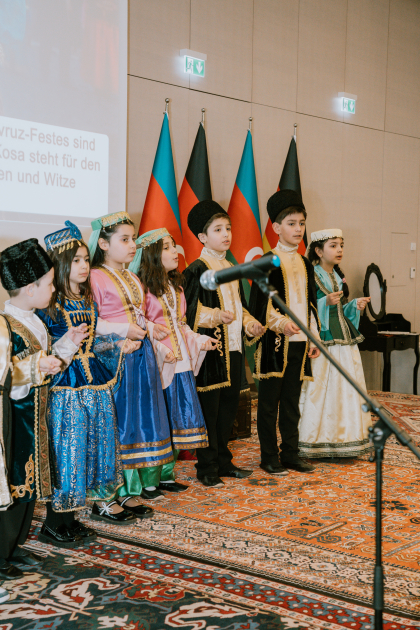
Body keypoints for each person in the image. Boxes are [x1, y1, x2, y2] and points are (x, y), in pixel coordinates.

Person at [38, 221, 145, 542]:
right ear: (60, 265)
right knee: (67, 451)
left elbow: (94, 342)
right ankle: (54, 523)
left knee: (89, 448)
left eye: (86, 259)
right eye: (76, 261)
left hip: (93, 384)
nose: (84, 266)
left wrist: (117, 344)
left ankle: (71, 519)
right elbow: (46, 350)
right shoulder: (50, 305)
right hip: (66, 387)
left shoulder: (87, 300)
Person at [0, 238, 83, 582]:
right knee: (14, 486)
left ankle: (15, 546)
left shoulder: (35, 321)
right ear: (30, 289)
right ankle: (1, 552)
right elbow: (6, 376)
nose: (53, 289)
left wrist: (67, 345)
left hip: (37, 417)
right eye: (49, 284)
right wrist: (36, 366)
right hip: (15, 421)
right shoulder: (5, 326)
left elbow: (48, 366)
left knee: (30, 486)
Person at [88, 212, 174, 503]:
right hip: (115, 356)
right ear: (103, 244)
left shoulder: (132, 277)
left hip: (141, 355)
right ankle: (120, 490)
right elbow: (92, 322)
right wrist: (125, 330)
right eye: (124, 239)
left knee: (142, 417)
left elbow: (136, 314)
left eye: (133, 239)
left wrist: (150, 326)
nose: (132, 245)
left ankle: (138, 486)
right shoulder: (95, 277)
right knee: (122, 419)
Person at [183, 200, 265, 488]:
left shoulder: (231, 267)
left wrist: (250, 324)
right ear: (202, 237)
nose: (226, 234)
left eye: (228, 228)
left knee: (229, 409)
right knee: (210, 411)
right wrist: (215, 316)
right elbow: (188, 312)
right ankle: (207, 467)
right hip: (212, 353)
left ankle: (224, 461)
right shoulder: (196, 270)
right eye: (218, 229)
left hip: (234, 350)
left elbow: (240, 307)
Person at [130, 228, 218, 492]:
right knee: (157, 422)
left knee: (176, 421)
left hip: (180, 363)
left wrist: (200, 340)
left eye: (174, 246)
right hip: (157, 364)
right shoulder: (142, 289)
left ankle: (166, 476)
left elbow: (181, 325)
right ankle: (149, 482)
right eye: (167, 248)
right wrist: (160, 349)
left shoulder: (176, 287)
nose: (174, 252)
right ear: (152, 255)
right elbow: (141, 325)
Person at [248, 190, 320, 475]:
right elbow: (260, 306)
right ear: (276, 228)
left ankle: (290, 453)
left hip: (300, 343)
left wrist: (313, 337)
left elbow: (310, 303)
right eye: (291, 224)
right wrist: (281, 324)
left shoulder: (305, 263)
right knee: (269, 404)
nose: (298, 229)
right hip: (275, 343)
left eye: (301, 223)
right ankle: (269, 456)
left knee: (292, 402)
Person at [298, 229, 372, 458]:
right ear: (319, 251)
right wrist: (324, 302)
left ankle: (346, 438)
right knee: (322, 388)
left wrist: (354, 306)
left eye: (341, 245)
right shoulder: (312, 275)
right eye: (333, 245)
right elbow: (305, 308)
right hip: (323, 339)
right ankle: (318, 440)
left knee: (347, 388)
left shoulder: (338, 277)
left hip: (343, 340)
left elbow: (341, 311)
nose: (339, 250)